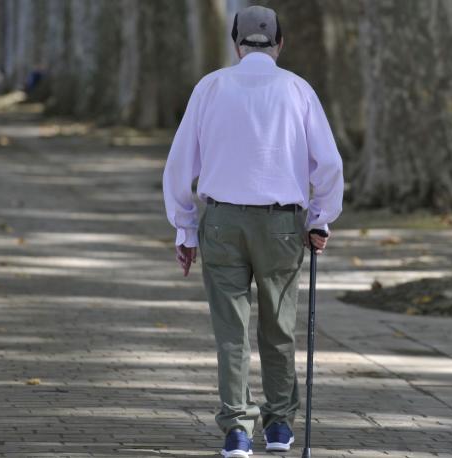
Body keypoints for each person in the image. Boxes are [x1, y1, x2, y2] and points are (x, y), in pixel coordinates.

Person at [162, 5, 343, 457]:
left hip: (221, 220)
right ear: (280, 44)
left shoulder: (211, 87)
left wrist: (184, 229)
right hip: (282, 223)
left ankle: (237, 429)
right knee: (278, 327)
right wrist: (320, 218)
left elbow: (181, 165)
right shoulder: (298, 89)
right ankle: (279, 424)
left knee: (231, 331)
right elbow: (330, 164)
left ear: (236, 44)